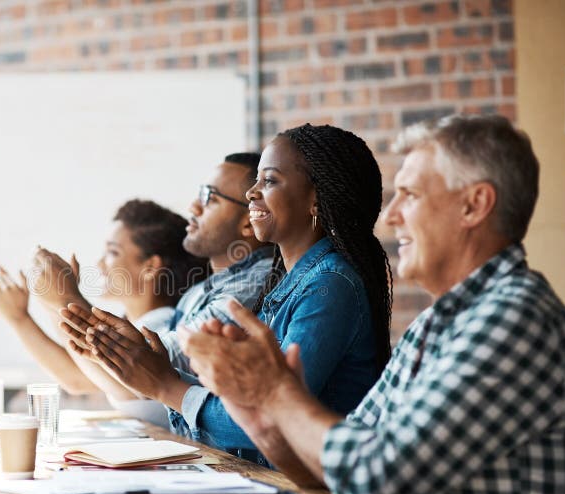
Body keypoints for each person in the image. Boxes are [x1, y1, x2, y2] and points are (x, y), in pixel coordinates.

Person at [178, 114, 565, 494]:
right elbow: (331, 462)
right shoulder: (436, 325)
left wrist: (274, 392)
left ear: (473, 205)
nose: (391, 216)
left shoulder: (513, 322)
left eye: (410, 195)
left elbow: (376, 477)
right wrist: (256, 411)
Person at [66, 125, 393, 464]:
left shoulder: (330, 286)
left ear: (315, 199)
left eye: (269, 180)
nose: (252, 193)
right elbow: (255, 403)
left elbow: (272, 420)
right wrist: (157, 371)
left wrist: (166, 385)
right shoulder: (290, 281)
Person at [58, 153, 274, 432]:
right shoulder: (197, 291)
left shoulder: (257, 280)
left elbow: (159, 363)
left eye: (210, 197)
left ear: (248, 221)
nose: (194, 206)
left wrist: (63, 299)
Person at [0, 199, 208, 426]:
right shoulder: (135, 321)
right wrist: (51, 301)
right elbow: (81, 366)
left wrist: (32, 312)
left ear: (150, 267)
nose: (101, 263)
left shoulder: (161, 326)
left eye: (113, 252)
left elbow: (77, 378)